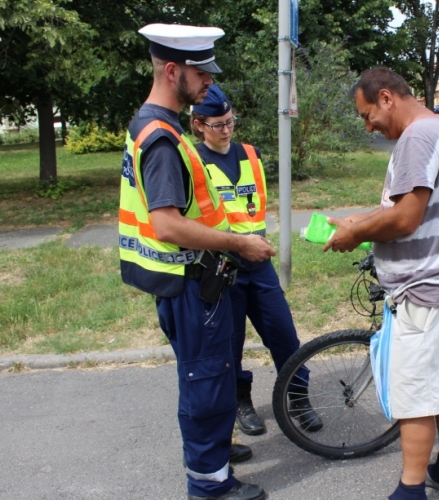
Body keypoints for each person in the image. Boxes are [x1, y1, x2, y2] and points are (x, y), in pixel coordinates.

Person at [119, 23, 274, 500]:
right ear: (172, 70)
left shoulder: (152, 123)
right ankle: (210, 485)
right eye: (201, 74)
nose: (209, 83)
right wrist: (237, 243)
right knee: (205, 379)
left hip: (181, 280)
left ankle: (215, 455)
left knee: (205, 373)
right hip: (189, 283)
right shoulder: (163, 138)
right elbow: (167, 224)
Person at [323, 67, 439, 500]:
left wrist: (357, 234)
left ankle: (410, 490)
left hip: (425, 286)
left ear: (387, 98)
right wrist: (360, 220)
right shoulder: (435, 129)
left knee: (416, 392)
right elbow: (404, 205)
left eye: (367, 114)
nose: (368, 124)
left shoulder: (417, 138)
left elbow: (406, 219)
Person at [190, 85, 322, 436]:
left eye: (230, 121)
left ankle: (297, 397)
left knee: (284, 337)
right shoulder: (193, 161)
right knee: (228, 347)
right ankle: (241, 403)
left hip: (259, 268)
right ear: (198, 124)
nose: (226, 129)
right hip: (221, 270)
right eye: (217, 124)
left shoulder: (251, 154)